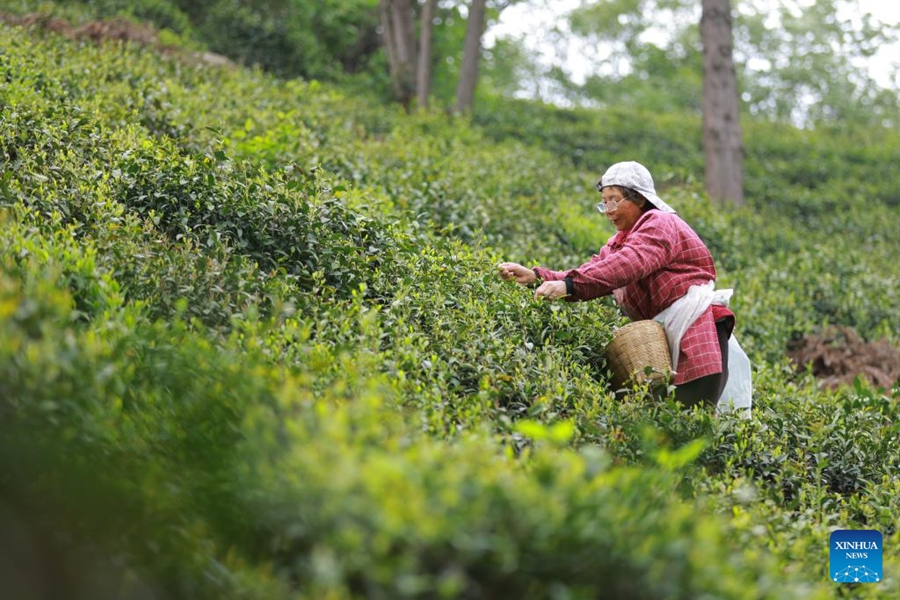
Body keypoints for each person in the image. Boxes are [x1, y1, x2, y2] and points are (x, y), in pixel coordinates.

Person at [498, 160, 744, 410]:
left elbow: (628, 264)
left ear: (638, 198)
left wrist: (570, 286)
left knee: (691, 416)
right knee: (663, 419)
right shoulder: (618, 242)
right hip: (666, 335)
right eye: (604, 202)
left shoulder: (659, 222)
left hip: (695, 330)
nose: (608, 210)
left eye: (614, 200)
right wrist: (538, 277)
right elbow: (594, 270)